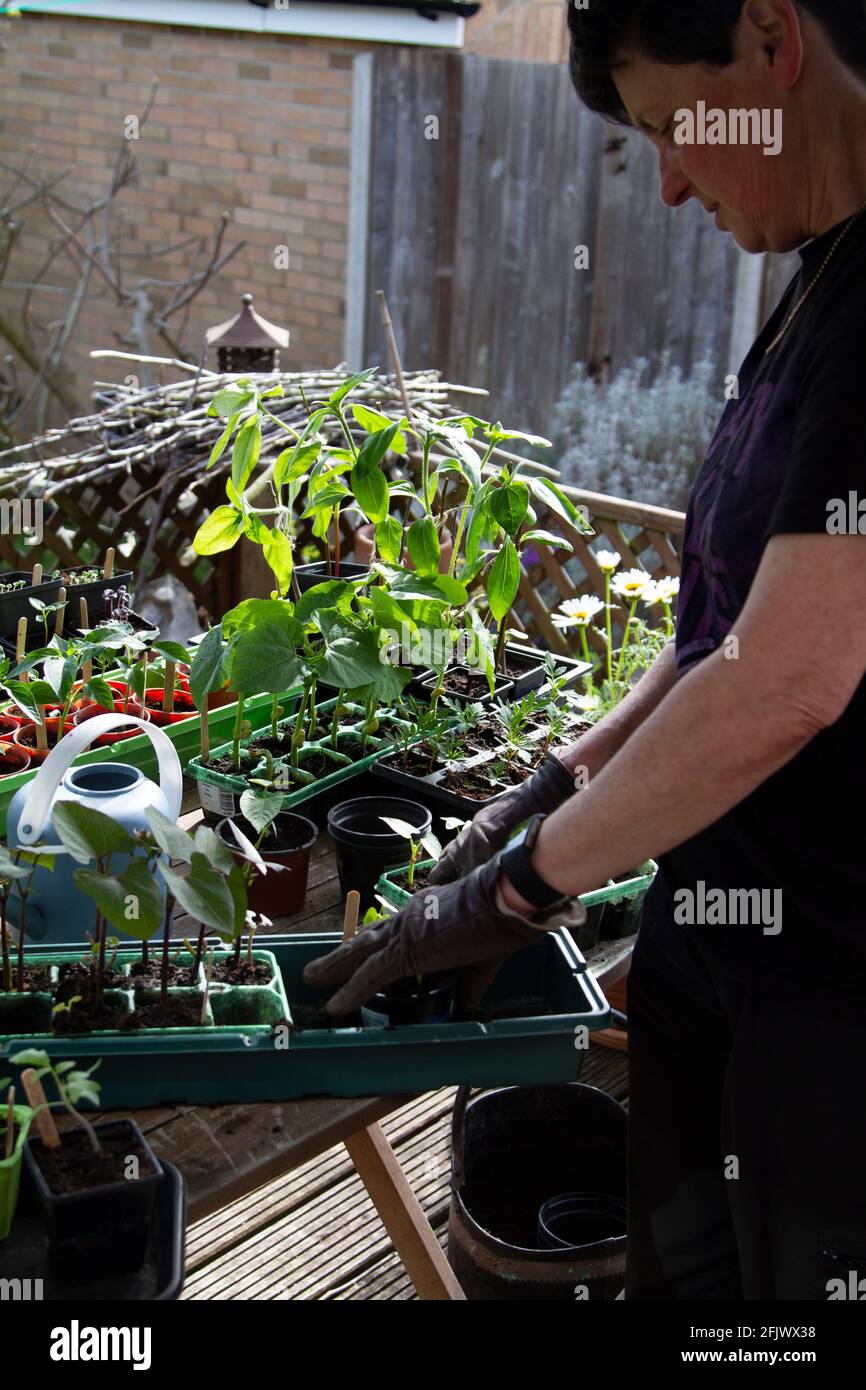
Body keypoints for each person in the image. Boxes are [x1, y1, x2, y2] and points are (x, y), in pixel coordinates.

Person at [305, 0, 866, 1299]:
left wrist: (512, 892)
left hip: (830, 1007)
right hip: (716, 950)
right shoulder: (812, 280)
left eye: (676, 125)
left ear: (771, 41)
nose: (665, 182)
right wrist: (544, 792)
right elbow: (718, 633)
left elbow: (789, 676)